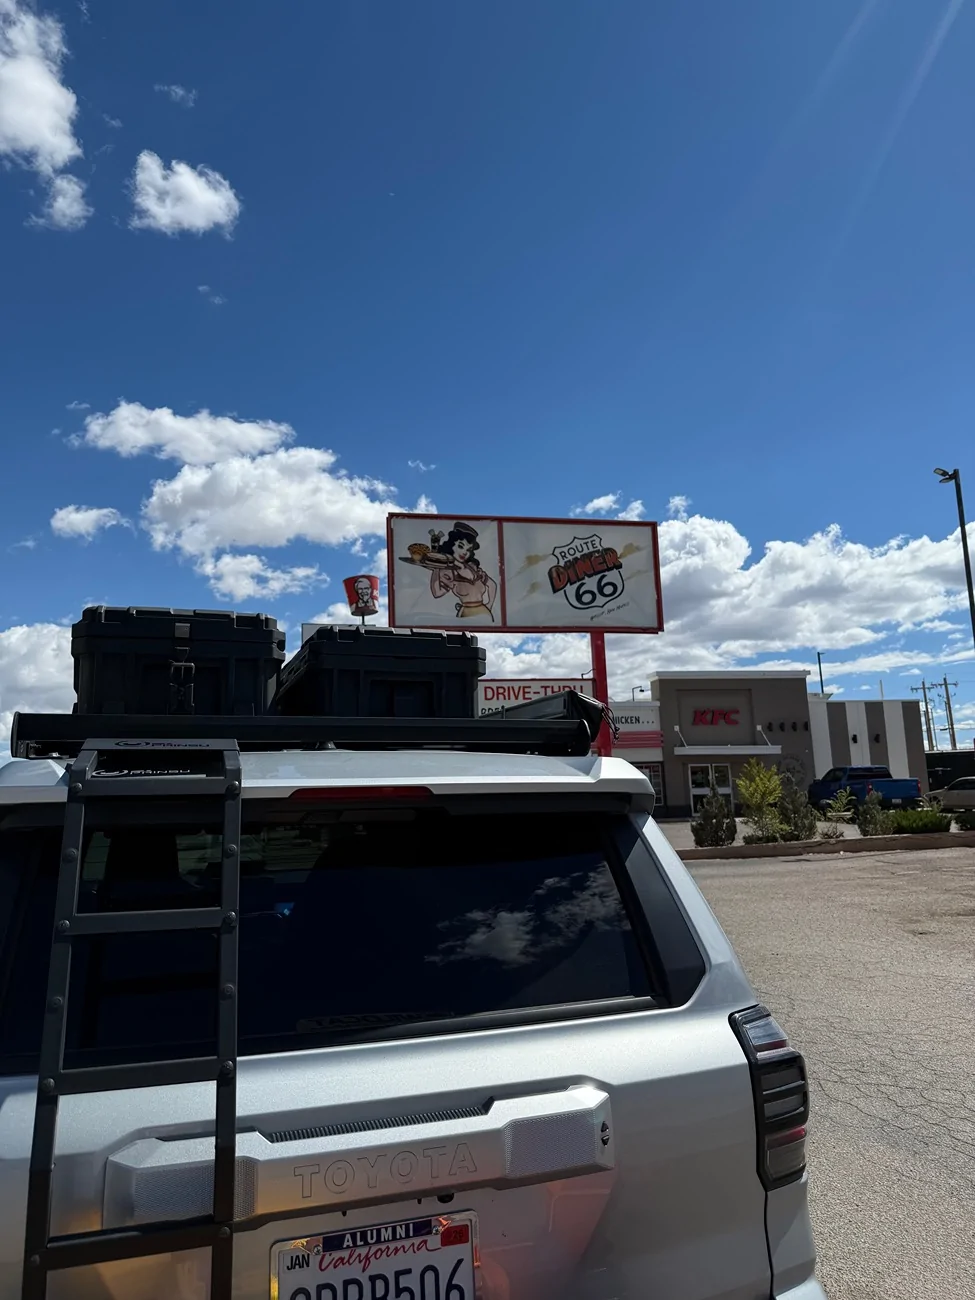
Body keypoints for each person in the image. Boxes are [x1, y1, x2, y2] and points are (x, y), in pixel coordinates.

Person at [428, 522, 497, 621]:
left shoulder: (473, 567)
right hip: (466, 616)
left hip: (485, 615)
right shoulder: (449, 572)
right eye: (461, 546)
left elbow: (492, 584)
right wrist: (436, 568)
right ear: (452, 545)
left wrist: (489, 605)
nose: (465, 552)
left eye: (468, 550)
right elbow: (437, 593)